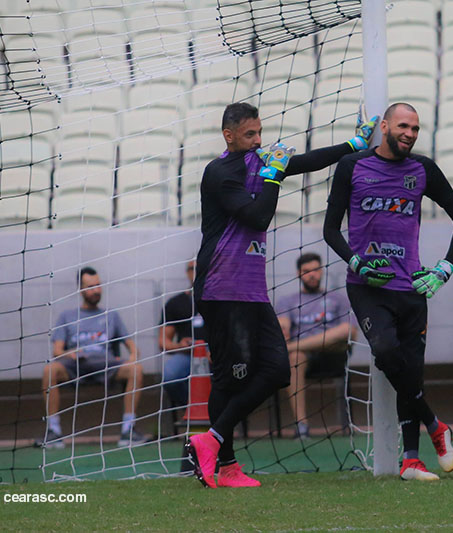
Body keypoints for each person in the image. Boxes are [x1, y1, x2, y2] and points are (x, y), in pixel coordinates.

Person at [185, 102, 377, 489]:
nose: (258, 141)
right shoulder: (220, 173)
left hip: (251, 291)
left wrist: (353, 144)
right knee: (228, 380)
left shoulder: (259, 160)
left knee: (275, 368)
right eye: (250, 135)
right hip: (222, 288)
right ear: (229, 135)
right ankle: (226, 466)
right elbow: (258, 217)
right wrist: (273, 177)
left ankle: (212, 439)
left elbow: (307, 161)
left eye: (260, 132)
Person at [323, 102, 453, 481]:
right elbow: (330, 229)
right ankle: (435, 425)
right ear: (385, 126)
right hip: (367, 286)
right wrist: (355, 262)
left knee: (412, 372)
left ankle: (411, 459)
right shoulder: (352, 165)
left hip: (411, 286)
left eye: (416, 129)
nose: (410, 133)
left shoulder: (423, 169)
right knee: (386, 352)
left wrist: (443, 269)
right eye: (404, 126)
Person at [39, 266, 146, 448]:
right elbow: (57, 351)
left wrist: (133, 357)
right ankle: (53, 432)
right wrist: (69, 354)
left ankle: (129, 431)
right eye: (90, 287)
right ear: (81, 289)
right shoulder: (67, 316)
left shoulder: (111, 315)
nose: (96, 290)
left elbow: (132, 346)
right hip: (76, 366)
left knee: (135, 370)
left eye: (98, 285)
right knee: (50, 370)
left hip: (106, 365)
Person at [276, 252, 355, 439]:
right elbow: (282, 326)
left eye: (316, 270)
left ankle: (295, 347)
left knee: (344, 332)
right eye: (306, 271)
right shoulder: (287, 301)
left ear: (322, 271)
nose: (312, 275)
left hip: (333, 354)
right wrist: (284, 330)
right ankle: (301, 425)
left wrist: (293, 345)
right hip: (303, 357)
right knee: (294, 357)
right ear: (298, 274)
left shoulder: (338, 299)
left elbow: (349, 331)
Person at [158, 260, 205, 409]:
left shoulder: (222, 299)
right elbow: (163, 342)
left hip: (215, 353)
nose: (196, 271)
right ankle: (196, 409)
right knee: (170, 377)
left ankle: (221, 415)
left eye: (200, 267)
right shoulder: (175, 303)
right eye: (192, 268)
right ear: (187, 272)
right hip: (187, 354)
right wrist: (180, 346)